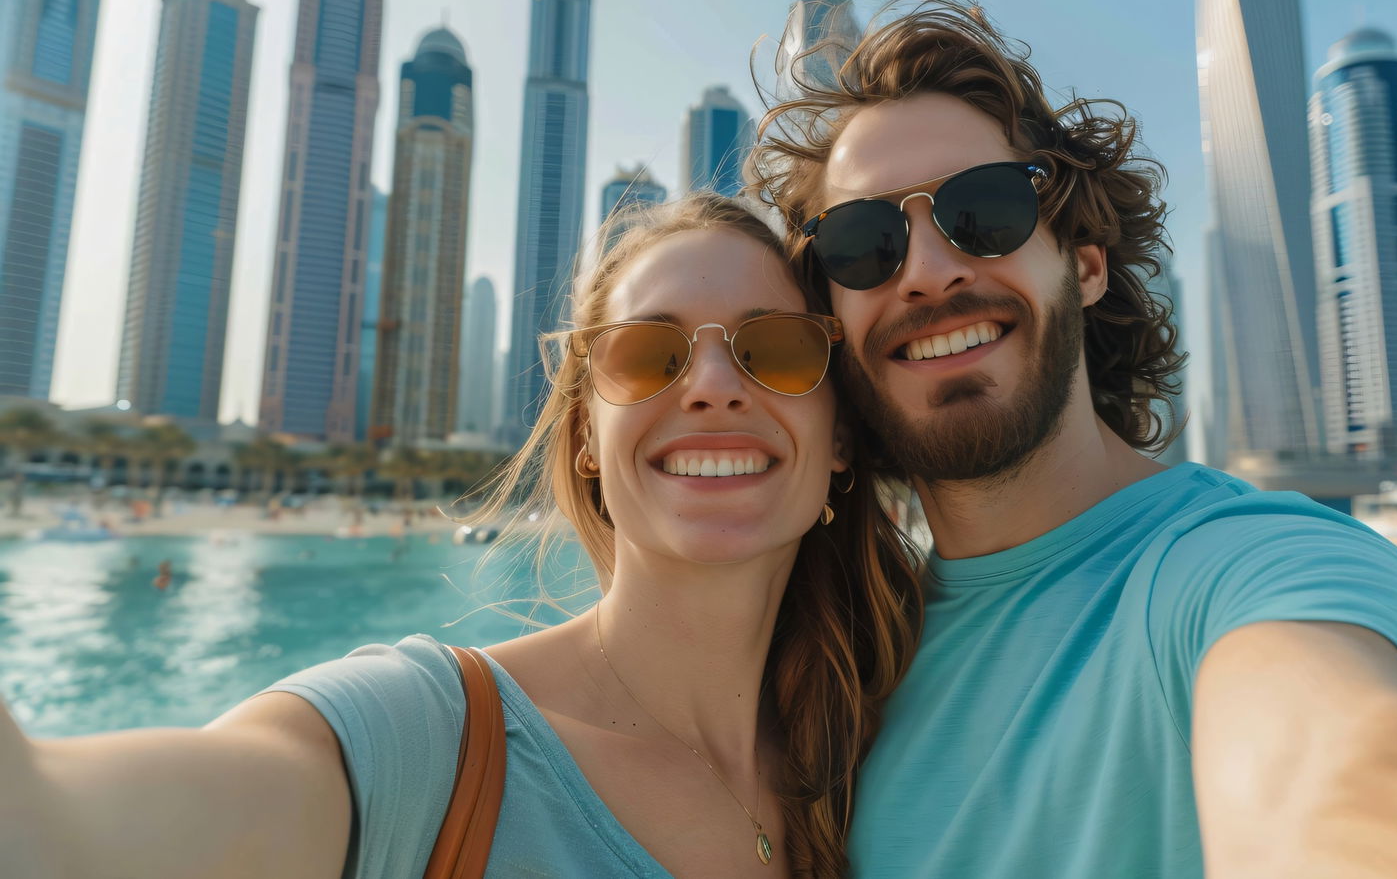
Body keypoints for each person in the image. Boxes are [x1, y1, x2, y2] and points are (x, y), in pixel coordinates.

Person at [750, 0, 1397, 878]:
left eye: (986, 212)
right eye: (863, 242)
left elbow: (1336, 767)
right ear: (833, 320)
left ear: (1084, 266)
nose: (928, 274)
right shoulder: (847, 651)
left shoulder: (1246, 567)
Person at [0, 195, 922, 879]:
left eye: (779, 348)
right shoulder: (422, 739)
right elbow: (68, 827)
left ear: (840, 435)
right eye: (649, 353)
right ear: (586, 439)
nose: (715, 383)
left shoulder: (881, 753)